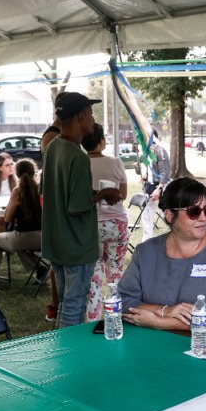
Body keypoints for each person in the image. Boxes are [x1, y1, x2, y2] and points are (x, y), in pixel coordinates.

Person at [119, 178, 206, 338]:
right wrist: (164, 311)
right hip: (155, 342)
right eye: (194, 211)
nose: (203, 218)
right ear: (170, 215)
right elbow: (122, 300)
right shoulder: (145, 252)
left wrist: (159, 322)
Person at [41, 92, 121, 328]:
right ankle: (68, 354)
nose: (93, 120)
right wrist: (104, 194)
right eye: (91, 114)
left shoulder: (53, 147)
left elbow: (58, 192)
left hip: (57, 242)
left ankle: (61, 348)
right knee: (74, 305)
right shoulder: (78, 156)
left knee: (65, 302)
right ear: (81, 116)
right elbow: (76, 207)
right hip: (76, 245)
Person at [83, 123, 129, 321]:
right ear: (102, 141)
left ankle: (92, 317)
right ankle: (115, 316)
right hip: (116, 225)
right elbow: (123, 194)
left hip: (91, 227)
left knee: (94, 277)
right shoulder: (115, 162)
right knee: (115, 273)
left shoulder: (80, 163)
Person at [0, 159, 44, 294]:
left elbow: (7, 218)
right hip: (44, 238)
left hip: (22, 236)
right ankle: (41, 270)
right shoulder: (41, 189)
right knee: (19, 244)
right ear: (34, 172)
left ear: (17, 174)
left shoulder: (18, 191)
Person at [41, 91, 66, 321]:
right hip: (57, 207)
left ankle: (57, 305)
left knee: (58, 261)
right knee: (58, 261)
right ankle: (56, 305)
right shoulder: (52, 138)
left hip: (58, 205)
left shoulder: (56, 136)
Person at [138, 129, 171, 243]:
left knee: (166, 215)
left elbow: (165, 172)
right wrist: (145, 177)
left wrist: (159, 188)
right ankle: (146, 242)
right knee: (147, 215)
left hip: (160, 188)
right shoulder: (148, 152)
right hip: (152, 187)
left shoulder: (160, 151)